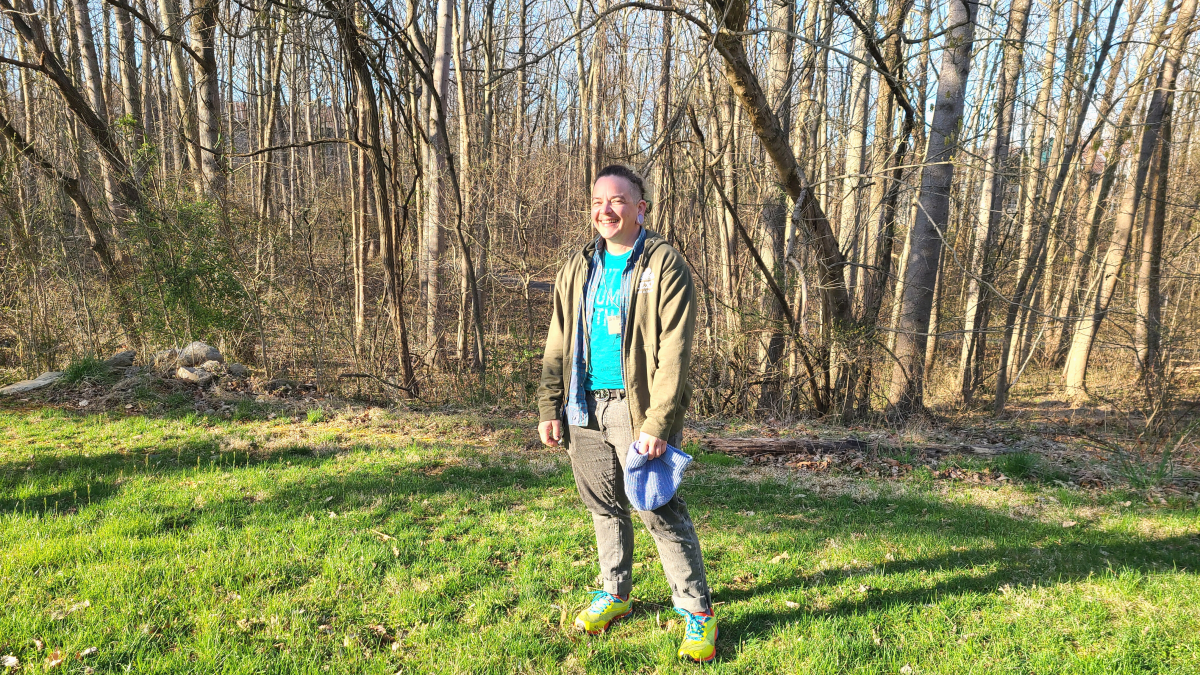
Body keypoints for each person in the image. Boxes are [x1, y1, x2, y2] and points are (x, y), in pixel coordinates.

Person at [537, 164, 716, 663]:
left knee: (656, 507)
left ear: (641, 207)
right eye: (598, 202)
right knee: (603, 506)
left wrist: (659, 423)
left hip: (636, 409)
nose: (605, 210)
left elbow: (674, 353)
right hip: (582, 405)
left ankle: (697, 613)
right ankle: (615, 593)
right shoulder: (578, 265)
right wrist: (550, 404)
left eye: (617, 200)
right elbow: (557, 341)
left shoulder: (663, 265)